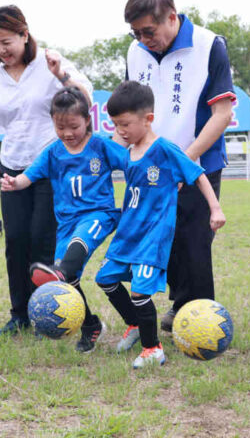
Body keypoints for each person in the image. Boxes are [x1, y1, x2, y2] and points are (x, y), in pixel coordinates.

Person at [0, 5, 92, 335]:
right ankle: (19, 313)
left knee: (42, 240)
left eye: (6, 42)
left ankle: (50, 311)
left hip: (48, 163)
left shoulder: (48, 63)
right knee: (15, 240)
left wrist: (60, 74)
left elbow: (84, 97)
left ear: (24, 34)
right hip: (12, 164)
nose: (1, 50)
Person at [123, 0, 235, 333]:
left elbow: (222, 113)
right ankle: (181, 304)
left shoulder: (208, 45)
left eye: (148, 32)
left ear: (172, 17)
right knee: (163, 241)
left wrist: (185, 160)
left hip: (196, 160)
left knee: (195, 242)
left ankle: (204, 322)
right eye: (136, 33)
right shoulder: (135, 51)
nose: (143, 40)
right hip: (152, 168)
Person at [96, 81, 225, 369]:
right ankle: (134, 324)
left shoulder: (165, 150)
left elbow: (199, 174)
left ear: (148, 119)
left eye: (126, 124)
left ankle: (153, 349)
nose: (121, 131)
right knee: (105, 278)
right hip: (128, 233)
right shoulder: (128, 151)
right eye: (116, 125)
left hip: (153, 236)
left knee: (140, 291)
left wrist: (215, 209)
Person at [1, 87, 128, 353]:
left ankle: (61, 271)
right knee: (65, 280)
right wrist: (15, 183)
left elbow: (131, 163)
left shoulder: (101, 146)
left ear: (87, 120)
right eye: (60, 127)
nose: (68, 133)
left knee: (73, 253)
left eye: (74, 126)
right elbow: (30, 175)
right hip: (66, 223)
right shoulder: (53, 152)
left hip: (97, 214)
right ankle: (90, 325)